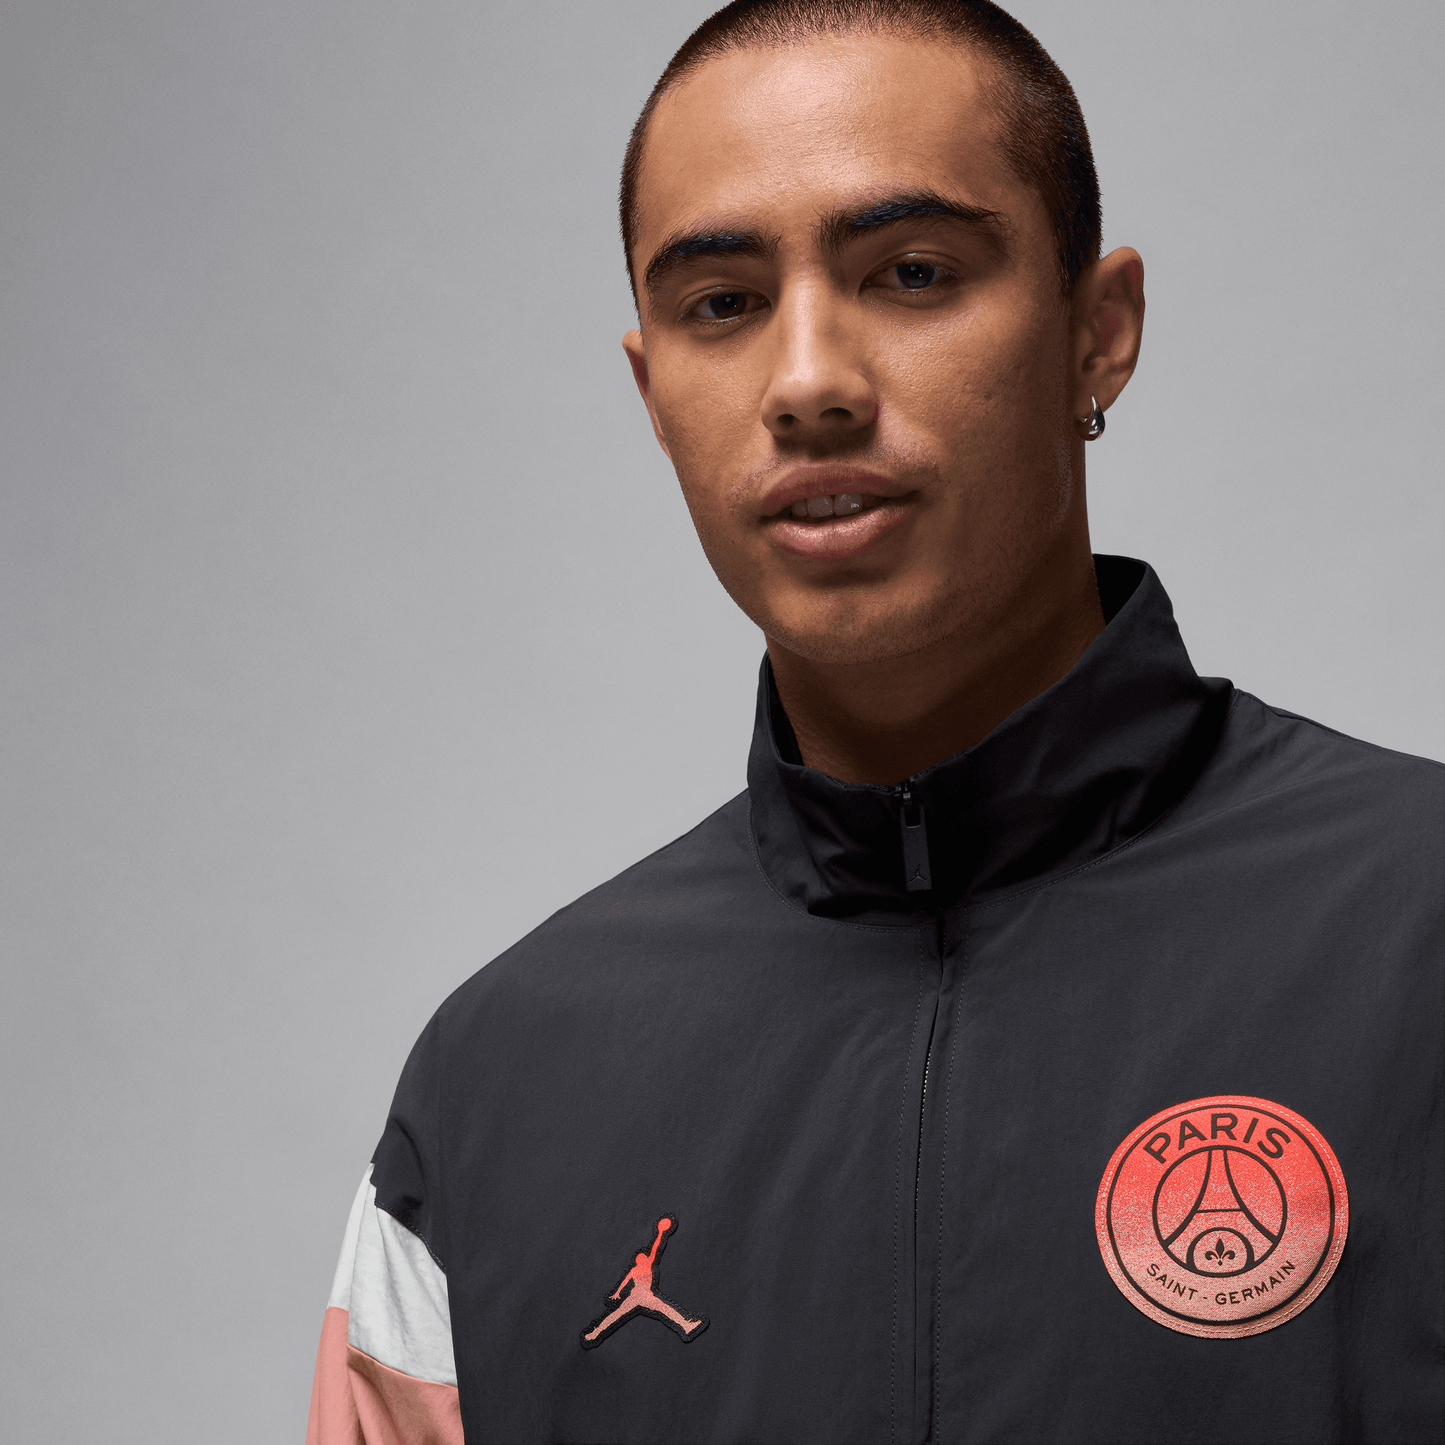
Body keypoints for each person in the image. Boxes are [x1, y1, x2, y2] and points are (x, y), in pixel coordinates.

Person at [306, 2, 1443, 1442]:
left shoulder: (1418, 932)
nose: (808, 385)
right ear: (653, 393)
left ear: (1098, 334)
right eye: (722, 304)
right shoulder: (491, 1098)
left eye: (912, 274)